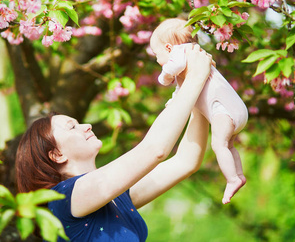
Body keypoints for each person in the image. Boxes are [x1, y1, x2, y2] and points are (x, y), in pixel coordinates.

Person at [15, 44, 213, 241]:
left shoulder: (117, 197)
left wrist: (198, 91)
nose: (86, 126)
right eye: (71, 127)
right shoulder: (64, 197)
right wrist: (194, 78)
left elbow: (186, 162)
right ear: (57, 154)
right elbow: (155, 149)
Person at [150, 17, 248, 204]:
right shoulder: (196, 57)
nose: (157, 59)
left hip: (222, 110)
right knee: (229, 145)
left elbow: (174, 66)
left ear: (169, 48)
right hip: (235, 110)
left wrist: (165, 76)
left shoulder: (182, 53)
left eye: (157, 54)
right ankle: (239, 174)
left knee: (219, 145)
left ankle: (232, 179)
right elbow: (184, 89)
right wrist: (174, 101)